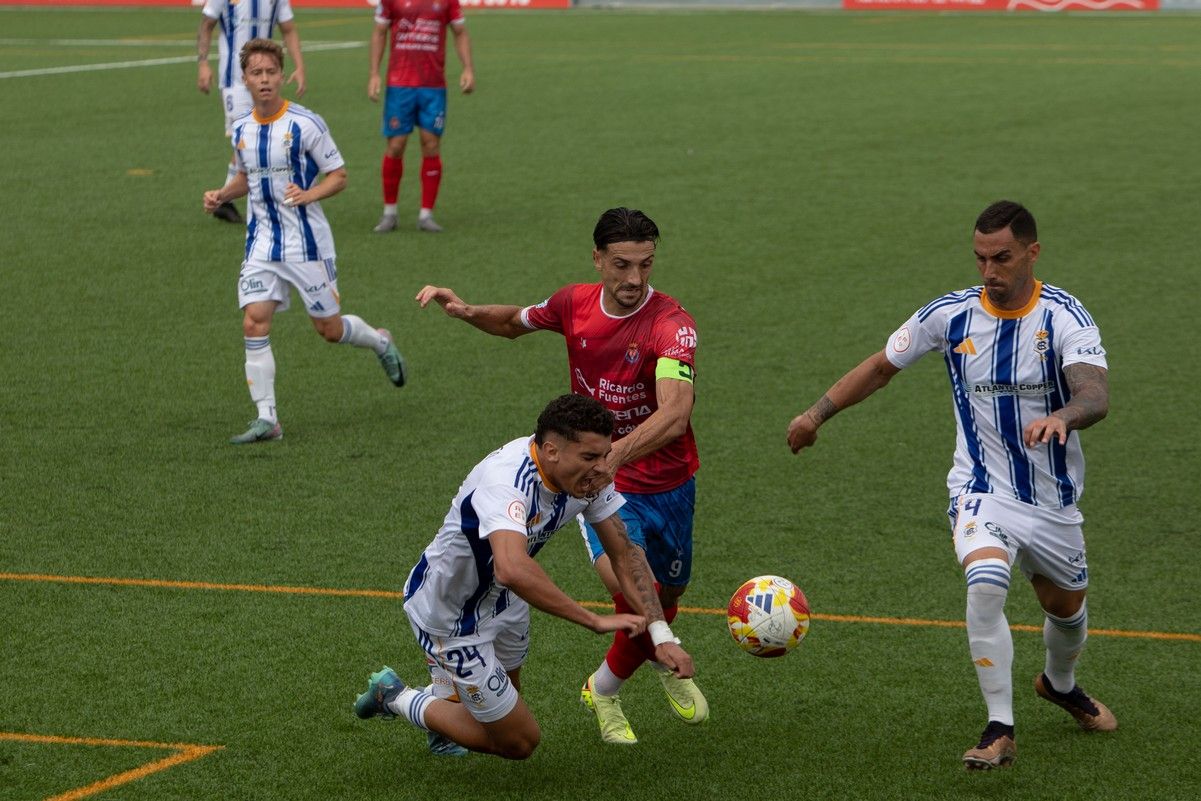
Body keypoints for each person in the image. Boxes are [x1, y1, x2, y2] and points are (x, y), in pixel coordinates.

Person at [786, 200, 1116, 770]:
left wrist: (1063, 416)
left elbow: (1095, 394)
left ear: (1032, 253)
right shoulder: (950, 315)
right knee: (985, 582)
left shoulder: (1064, 316)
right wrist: (816, 415)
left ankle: (1059, 683)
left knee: (1065, 609)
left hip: (1052, 500)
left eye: (1002, 258)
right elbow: (881, 366)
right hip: (980, 489)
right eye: (980, 258)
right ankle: (999, 728)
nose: (989, 271)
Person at [414, 207, 707, 746]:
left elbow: (675, 412)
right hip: (588, 471)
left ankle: (624, 667)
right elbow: (513, 323)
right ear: (597, 259)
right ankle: (616, 683)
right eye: (621, 264)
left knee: (665, 592)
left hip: (664, 478)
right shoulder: (574, 304)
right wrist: (466, 310)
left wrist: (614, 457)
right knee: (624, 580)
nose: (634, 278)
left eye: (645, 265)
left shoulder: (672, 325)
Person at [353, 394, 695, 760]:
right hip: (452, 614)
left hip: (505, 598)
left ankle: (445, 701)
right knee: (517, 742)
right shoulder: (507, 481)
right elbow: (512, 567)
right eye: (589, 457)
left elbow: (625, 554)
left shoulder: (587, 479)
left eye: (605, 455)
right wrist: (592, 619)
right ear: (551, 451)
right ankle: (395, 696)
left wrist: (661, 635)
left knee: (504, 704)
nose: (603, 468)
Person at [202, 39, 406, 445]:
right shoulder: (241, 128)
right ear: (245, 79)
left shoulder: (306, 124)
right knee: (254, 320)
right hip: (261, 243)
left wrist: (310, 194)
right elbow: (246, 176)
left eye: (270, 72)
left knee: (328, 329)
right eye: (256, 73)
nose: (264, 79)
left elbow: (339, 175)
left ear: (282, 76)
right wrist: (221, 195)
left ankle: (380, 341)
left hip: (306, 244)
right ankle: (267, 419)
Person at [368, 0, 474, 234]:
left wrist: (467, 68)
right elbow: (379, 31)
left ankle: (426, 215)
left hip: (433, 86)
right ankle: (389, 213)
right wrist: (374, 73)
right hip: (400, 84)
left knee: (431, 144)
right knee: (396, 145)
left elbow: (460, 32)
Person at [197, 0, 305, 224]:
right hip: (234, 81)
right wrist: (203, 64)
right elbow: (207, 24)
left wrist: (299, 66)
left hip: (265, 77)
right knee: (246, 136)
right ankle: (239, 198)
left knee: (256, 135)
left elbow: (288, 28)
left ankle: (229, 198)